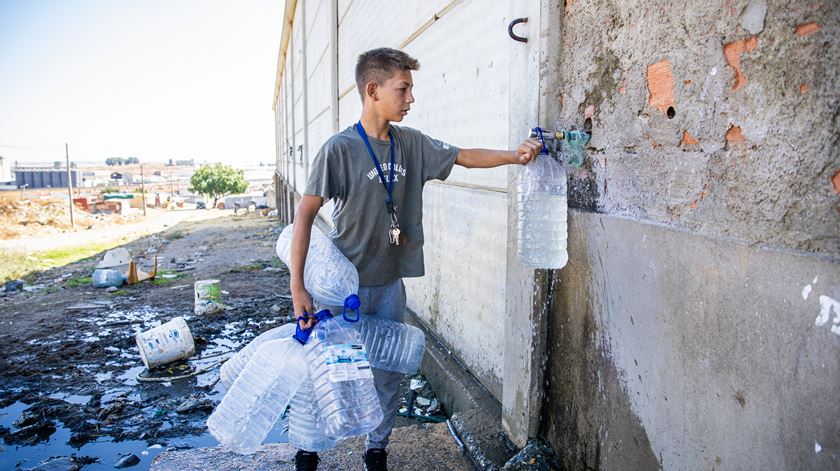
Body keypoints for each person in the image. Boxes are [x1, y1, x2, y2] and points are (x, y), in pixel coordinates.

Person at [289, 47, 542, 471]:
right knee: (327, 372)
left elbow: (464, 156)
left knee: (388, 373)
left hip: (389, 285)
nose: (410, 99)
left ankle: (377, 448)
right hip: (340, 288)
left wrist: (513, 156)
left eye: (410, 90)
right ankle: (309, 450)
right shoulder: (339, 149)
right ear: (373, 90)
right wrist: (298, 287)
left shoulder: (412, 144)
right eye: (402, 89)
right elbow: (304, 217)